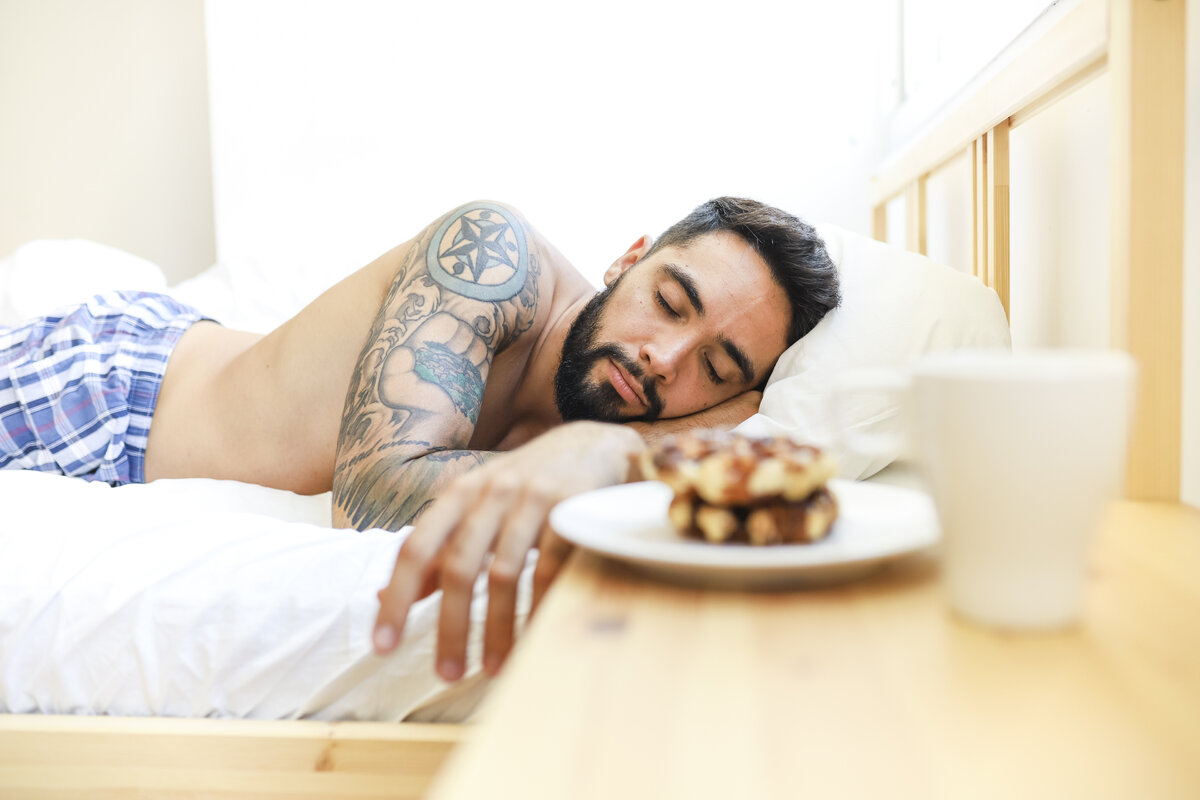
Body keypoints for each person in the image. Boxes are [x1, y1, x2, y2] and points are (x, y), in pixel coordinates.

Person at [0, 196, 840, 680]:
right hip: (110, 393)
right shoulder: (495, 256)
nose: (663, 359)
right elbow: (370, 491)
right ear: (627, 259)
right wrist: (631, 452)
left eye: (717, 366)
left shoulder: (618, 410)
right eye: (670, 300)